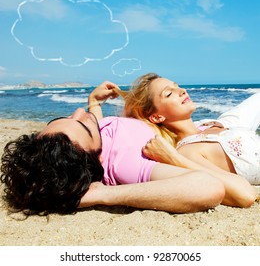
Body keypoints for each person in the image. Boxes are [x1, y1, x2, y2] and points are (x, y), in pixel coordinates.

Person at [0, 82, 256, 216]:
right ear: (93, 159)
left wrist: (93, 105)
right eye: (85, 125)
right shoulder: (126, 163)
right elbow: (207, 188)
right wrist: (101, 195)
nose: (79, 112)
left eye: (68, 117)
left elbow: (98, 130)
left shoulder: (90, 139)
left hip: (208, 127)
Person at [118, 73, 260, 185]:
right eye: (169, 93)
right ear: (157, 117)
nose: (182, 91)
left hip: (210, 126)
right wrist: (94, 104)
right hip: (221, 139)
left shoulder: (203, 124)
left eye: (177, 86)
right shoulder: (187, 152)